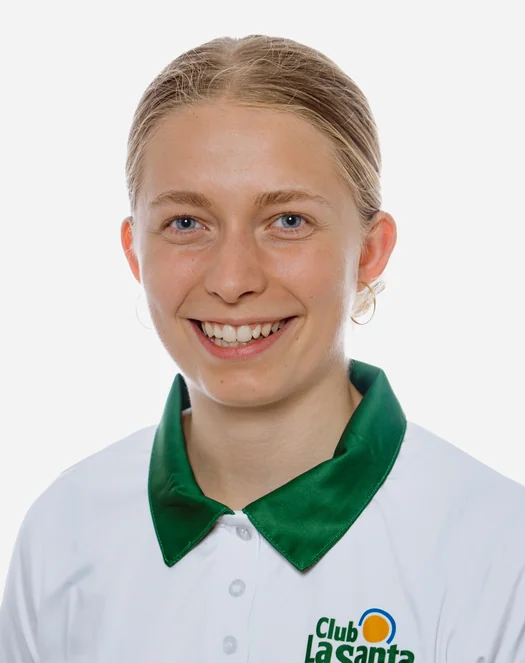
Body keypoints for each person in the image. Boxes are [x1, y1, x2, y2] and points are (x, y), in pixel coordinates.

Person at [1, 34, 524, 663]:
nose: (232, 280)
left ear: (370, 251)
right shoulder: (63, 531)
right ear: (135, 251)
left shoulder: (500, 549)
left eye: (288, 222)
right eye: (186, 223)